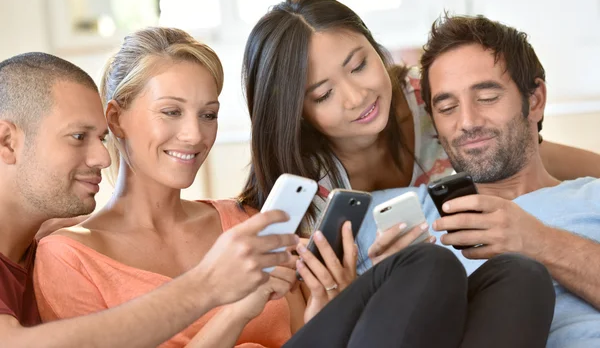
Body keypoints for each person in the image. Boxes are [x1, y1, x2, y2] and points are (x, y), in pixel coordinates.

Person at [34, 27, 555, 348]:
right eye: (171, 112)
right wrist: (236, 307)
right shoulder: (68, 256)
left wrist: (337, 292)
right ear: (117, 119)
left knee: (519, 277)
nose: (194, 135)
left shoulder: (247, 221)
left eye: (209, 114)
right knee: (428, 265)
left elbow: (313, 331)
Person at [238, 0, 600, 257]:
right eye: (322, 94)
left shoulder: (430, 98)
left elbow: (522, 147)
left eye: (359, 65)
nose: (356, 97)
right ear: (297, 112)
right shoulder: (307, 190)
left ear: (374, 46)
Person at [0, 52, 298, 347]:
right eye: (78, 136)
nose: (103, 158)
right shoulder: (64, 255)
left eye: (101, 138)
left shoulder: (31, 252)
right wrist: (213, 285)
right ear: (7, 142)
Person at [360, 14, 600, 347]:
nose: (468, 122)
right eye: (447, 107)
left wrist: (538, 241)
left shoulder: (592, 198)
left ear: (535, 100)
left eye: (487, 97)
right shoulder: (388, 215)